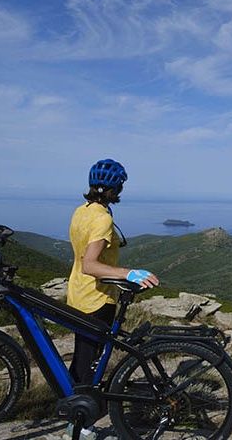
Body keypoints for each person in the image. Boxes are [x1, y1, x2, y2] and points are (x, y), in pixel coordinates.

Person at [67, 158, 159, 388]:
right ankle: (81, 415)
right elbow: (90, 264)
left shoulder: (81, 211)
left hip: (77, 294)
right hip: (97, 299)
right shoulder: (103, 219)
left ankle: (73, 402)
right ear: (116, 188)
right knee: (90, 359)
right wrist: (128, 273)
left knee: (82, 355)